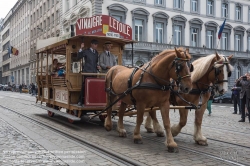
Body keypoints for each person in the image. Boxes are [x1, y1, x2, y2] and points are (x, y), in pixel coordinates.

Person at [76, 39, 101, 106]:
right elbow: (79, 56)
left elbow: (96, 62)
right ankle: (80, 101)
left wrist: (98, 67)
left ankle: (92, 101)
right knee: (84, 86)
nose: (96, 46)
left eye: (97, 45)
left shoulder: (96, 52)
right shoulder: (86, 51)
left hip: (94, 72)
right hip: (87, 72)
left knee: (93, 87)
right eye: (95, 44)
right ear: (92, 44)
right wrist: (81, 48)